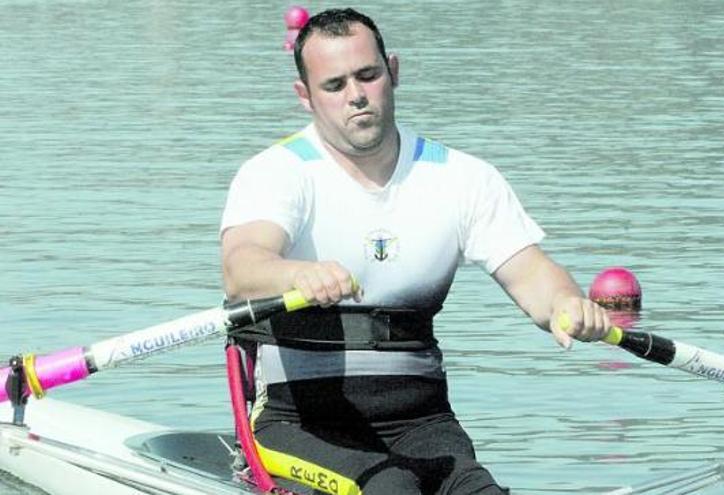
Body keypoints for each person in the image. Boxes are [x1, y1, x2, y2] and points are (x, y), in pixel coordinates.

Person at [220, 8, 612, 495]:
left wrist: (567, 305)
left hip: (424, 423)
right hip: (296, 420)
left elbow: (533, 275)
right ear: (306, 98)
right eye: (334, 85)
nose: (356, 96)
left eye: (368, 75)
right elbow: (243, 268)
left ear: (394, 72)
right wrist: (297, 275)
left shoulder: (462, 178)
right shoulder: (277, 173)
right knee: (392, 487)